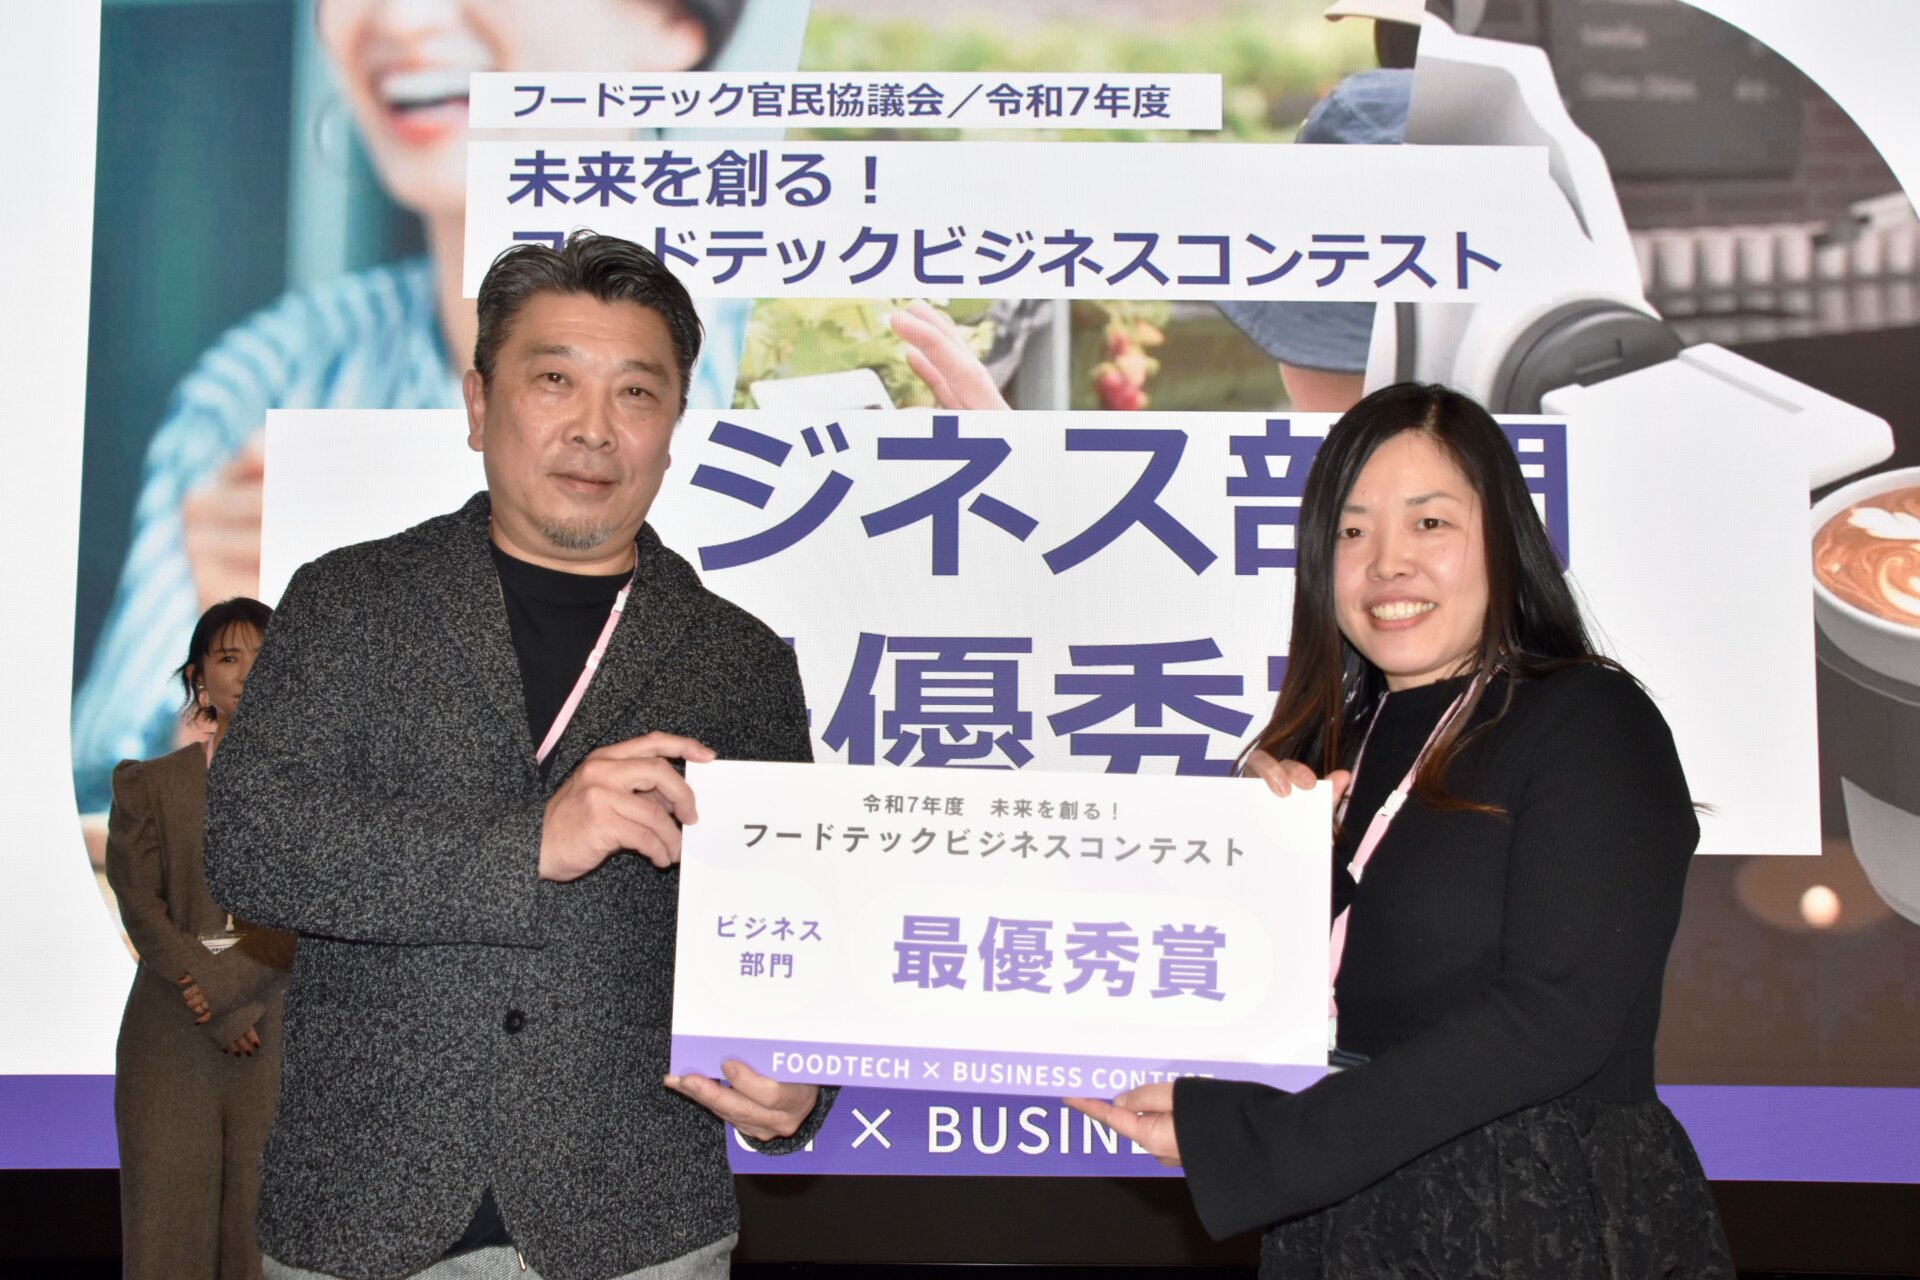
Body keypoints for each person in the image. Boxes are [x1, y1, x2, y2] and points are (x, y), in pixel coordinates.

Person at [203, 231, 831, 1280]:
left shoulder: (740, 661)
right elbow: (252, 848)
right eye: (554, 380)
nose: (594, 427)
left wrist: (800, 1089)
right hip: (360, 1220)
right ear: (478, 402)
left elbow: (797, 929)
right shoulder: (350, 601)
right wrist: (525, 845)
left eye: (638, 392)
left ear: (673, 428)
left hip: (639, 1232)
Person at [1068, 382, 1734, 1278]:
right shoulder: (1325, 750)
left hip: (1537, 1216)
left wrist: (1262, 1143)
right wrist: (1258, 862)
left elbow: (1555, 1020)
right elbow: (1268, 993)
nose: (1387, 564)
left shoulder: (1589, 719)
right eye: (1352, 533)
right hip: (1341, 1216)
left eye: (1430, 523)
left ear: (1504, 541)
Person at [72, 0, 792, 811]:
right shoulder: (271, 382)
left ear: (674, 23)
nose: (405, 20)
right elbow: (100, 813)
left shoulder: (808, 369)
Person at [107, 596, 294, 1280]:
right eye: (227, 657)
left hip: (278, 1029)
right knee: (167, 1236)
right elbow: (139, 903)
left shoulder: (318, 794)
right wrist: (213, 1000)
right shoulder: (152, 784)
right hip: (169, 1028)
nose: (245, 672)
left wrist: (230, 995)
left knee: (263, 1240)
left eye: (262, 656)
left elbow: (315, 909)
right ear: (198, 677)